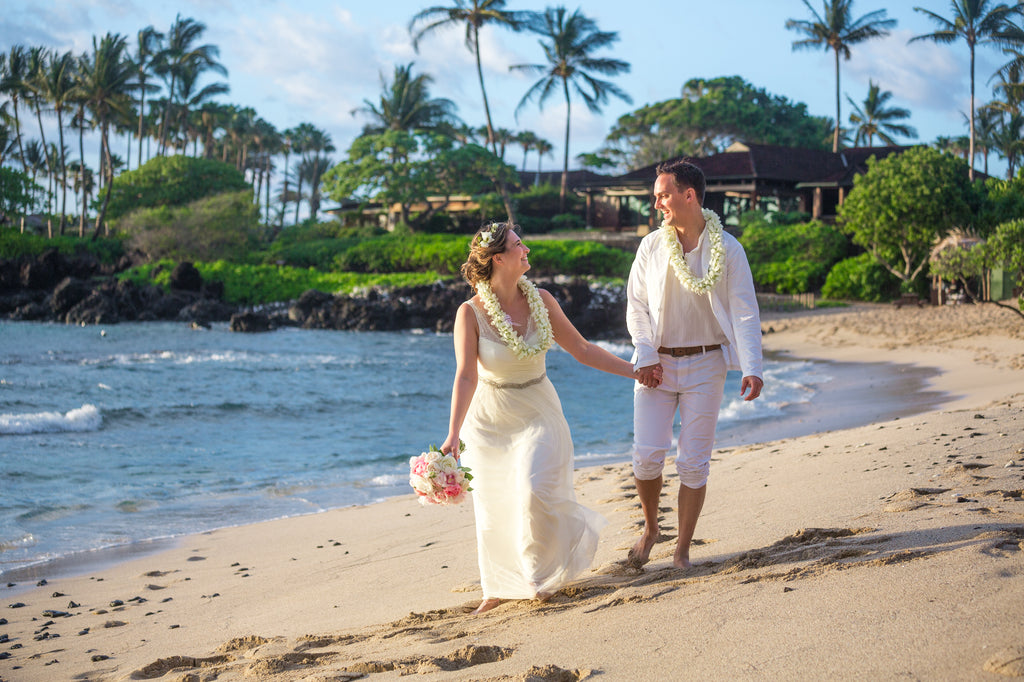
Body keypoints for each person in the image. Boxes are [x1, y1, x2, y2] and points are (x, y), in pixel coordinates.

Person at [442, 221, 647, 615]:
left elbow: (583, 349)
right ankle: (497, 586)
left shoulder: (543, 300)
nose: (527, 251)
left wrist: (635, 370)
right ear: (499, 258)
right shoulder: (469, 313)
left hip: (538, 409)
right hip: (488, 421)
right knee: (493, 505)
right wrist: (452, 434)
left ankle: (537, 576)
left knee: (533, 488)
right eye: (520, 245)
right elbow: (466, 374)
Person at [626, 158, 764, 570]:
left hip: (707, 365)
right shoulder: (651, 245)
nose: (657, 204)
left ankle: (682, 551)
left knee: (693, 462)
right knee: (647, 455)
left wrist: (753, 367)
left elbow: (745, 312)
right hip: (656, 365)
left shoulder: (729, 248)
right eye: (655, 196)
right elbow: (635, 306)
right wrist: (645, 353)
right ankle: (652, 528)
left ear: (689, 195)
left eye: (663, 195)